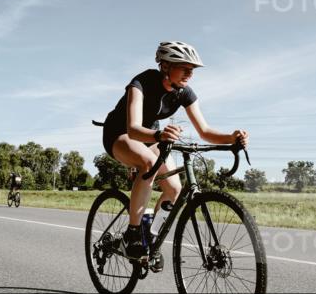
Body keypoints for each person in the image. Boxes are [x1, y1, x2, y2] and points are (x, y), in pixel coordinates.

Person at [100, 41, 248, 259]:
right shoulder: (142, 82)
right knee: (147, 163)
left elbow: (204, 131)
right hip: (120, 133)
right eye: (185, 68)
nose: (190, 74)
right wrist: (160, 136)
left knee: (174, 189)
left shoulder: (184, 93)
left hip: (151, 136)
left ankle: (149, 235)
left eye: (193, 70)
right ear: (166, 66)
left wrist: (231, 138)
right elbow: (133, 129)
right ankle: (132, 234)